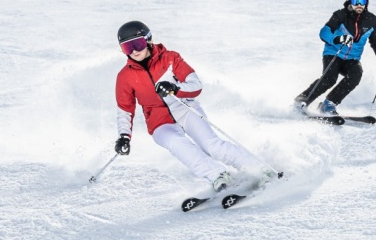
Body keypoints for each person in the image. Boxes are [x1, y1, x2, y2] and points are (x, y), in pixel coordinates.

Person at [112, 21, 273, 192]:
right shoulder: (125, 76)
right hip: (158, 122)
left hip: (186, 109)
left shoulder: (171, 58)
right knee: (177, 143)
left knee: (212, 146)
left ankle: (260, 169)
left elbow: (196, 85)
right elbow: (124, 109)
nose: (134, 51)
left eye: (137, 44)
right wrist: (124, 136)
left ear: (148, 40)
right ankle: (218, 176)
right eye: (128, 48)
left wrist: (176, 89)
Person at [294, 0, 376, 115]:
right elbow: (324, 32)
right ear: (349, 1)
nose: (359, 5)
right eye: (355, 1)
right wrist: (338, 39)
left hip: (352, 58)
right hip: (333, 53)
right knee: (329, 78)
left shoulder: (372, 21)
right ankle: (301, 101)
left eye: (362, 1)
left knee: (356, 74)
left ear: (366, 2)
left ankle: (329, 104)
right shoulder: (340, 15)